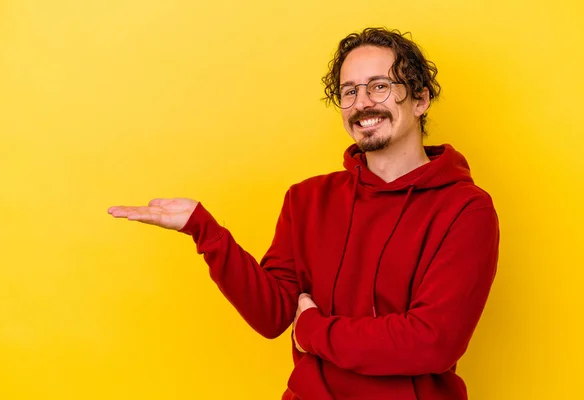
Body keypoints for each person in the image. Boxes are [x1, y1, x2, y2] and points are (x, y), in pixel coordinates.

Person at [108, 27, 500, 400]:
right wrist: (206, 232)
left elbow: (431, 344)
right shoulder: (307, 199)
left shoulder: (466, 209)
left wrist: (312, 330)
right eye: (349, 91)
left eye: (380, 86)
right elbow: (273, 315)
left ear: (420, 99)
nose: (362, 102)